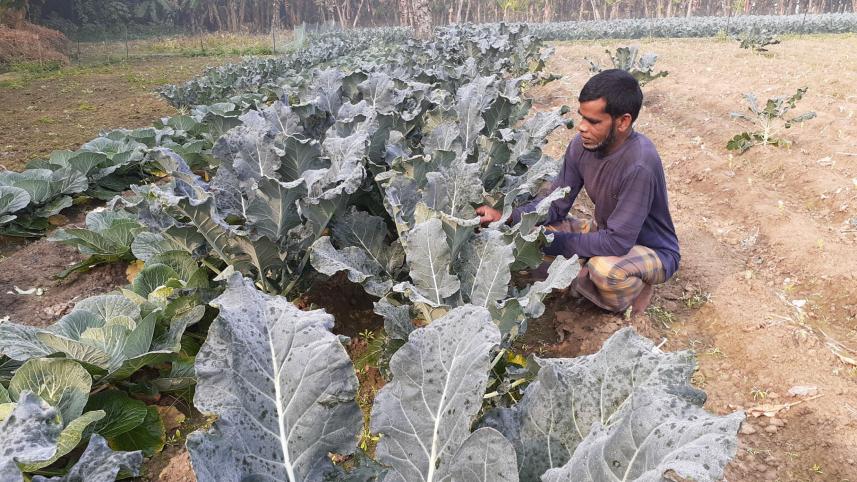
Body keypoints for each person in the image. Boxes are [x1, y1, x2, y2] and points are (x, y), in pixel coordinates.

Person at [476, 69, 680, 315]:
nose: (582, 127)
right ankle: (580, 279)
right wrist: (507, 217)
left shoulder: (640, 164)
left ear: (623, 122)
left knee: (604, 272)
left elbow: (618, 242)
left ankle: (633, 290)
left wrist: (551, 244)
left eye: (593, 121)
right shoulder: (581, 147)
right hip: (604, 232)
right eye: (582, 117)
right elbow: (555, 205)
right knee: (521, 240)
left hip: (649, 249)